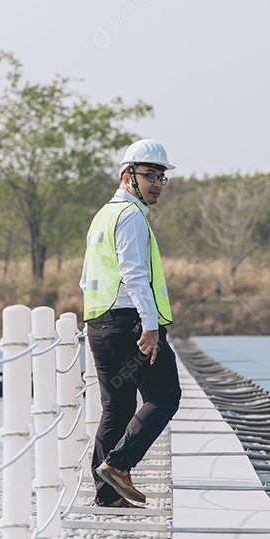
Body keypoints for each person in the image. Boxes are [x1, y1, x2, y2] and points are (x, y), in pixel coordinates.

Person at [81, 138, 181, 508]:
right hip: (130, 324)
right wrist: (151, 327)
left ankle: (107, 497)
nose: (157, 182)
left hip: (99, 324)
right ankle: (119, 465)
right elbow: (135, 275)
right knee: (164, 395)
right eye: (149, 175)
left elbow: (85, 276)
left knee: (118, 408)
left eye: (161, 176)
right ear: (128, 177)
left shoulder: (102, 216)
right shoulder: (131, 217)